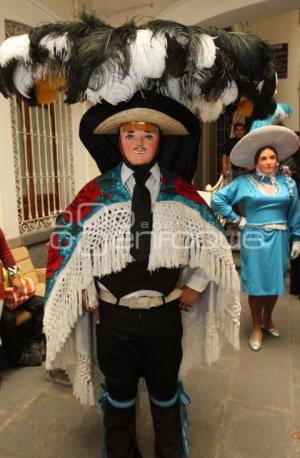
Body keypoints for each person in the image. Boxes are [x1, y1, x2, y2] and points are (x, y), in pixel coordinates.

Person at [44, 92, 241, 457]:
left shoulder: (180, 191)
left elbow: (212, 241)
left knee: (166, 395)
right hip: (113, 317)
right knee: (118, 398)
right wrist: (85, 287)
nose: (138, 143)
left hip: (164, 316)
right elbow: (70, 245)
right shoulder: (96, 192)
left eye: (148, 135)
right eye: (130, 135)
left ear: (159, 140)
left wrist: (196, 284)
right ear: (118, 140)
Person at [211, 125, 300, 351]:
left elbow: (295, 212)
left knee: (274, 284)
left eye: (272, 157)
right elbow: (217, 199)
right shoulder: (243, 182)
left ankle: (268, 319)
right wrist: (238, 220)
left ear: (278, 160)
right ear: (256, 161)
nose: (269, 161)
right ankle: (256, 325)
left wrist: (297, 238)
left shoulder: (288, 183)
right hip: (254, 238)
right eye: (264, 158)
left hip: (280, 238)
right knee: (257, 284)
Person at [0, 228, 44, 366]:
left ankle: (35, 342)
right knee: (7, 320)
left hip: (5, 293)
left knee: (38, 303)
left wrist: (14, 277)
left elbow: (5, 253)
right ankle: (17, 358)